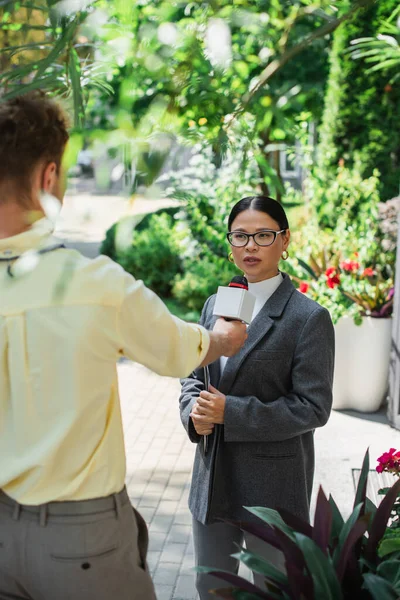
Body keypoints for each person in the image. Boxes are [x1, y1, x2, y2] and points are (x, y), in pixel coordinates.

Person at [0, 92, 247, 600]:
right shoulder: (93, 284)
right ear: (48, 177)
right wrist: (222, 338)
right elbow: (177, 349)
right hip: (81, 538)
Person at [179, 196, 335, 599]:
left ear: (285, 241)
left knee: (273, 590)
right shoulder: (216, 304)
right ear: (230, 244)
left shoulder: (308, 318)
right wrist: (192, 413)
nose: (250, 245)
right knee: (211, 588)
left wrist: (232, 413)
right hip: (212, 480)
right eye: (241, 236)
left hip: (272, 488)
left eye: (263, 235)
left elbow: (313, 407)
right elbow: (194, 377)